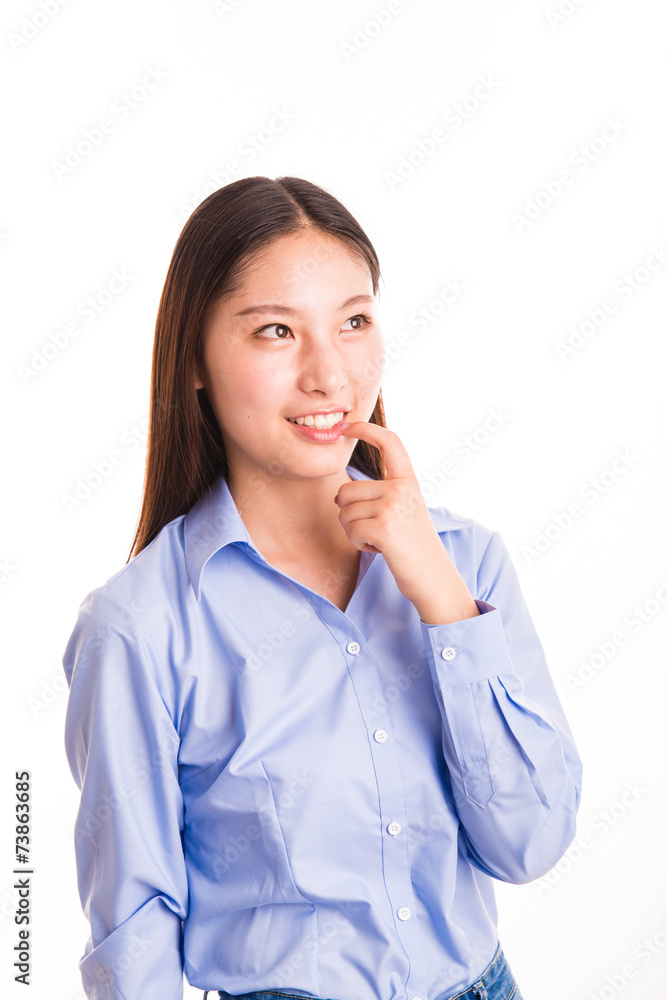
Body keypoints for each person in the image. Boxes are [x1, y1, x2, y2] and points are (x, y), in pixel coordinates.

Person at [62, 175, 583, 1000]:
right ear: (194, 359)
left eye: (354, 322)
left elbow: (528, 843)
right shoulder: (141, 625)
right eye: (275, 331)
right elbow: (136, 934)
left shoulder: (467, 564)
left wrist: (443, 606)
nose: (329, 375)